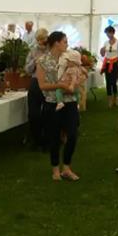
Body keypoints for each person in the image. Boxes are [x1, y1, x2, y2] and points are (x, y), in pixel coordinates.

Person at [37, 31, 80, 182]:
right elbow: (42, 85)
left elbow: (78, 74)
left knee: (72, 135)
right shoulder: (42, 60)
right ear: (56, 43)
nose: (67, 44)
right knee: (54, 137)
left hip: (70, 102)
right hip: (52, 103)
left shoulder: (70, 57)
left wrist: (76, 82)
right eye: (65, 41)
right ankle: (55, 169)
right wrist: (60, 85)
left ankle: (67, 167)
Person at [25, 28, 49, 150]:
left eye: (43, 39)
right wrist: (34, 62)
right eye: (38, 39)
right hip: (35, 82)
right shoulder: (33, 51)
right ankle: (36, 140)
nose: (41, 42)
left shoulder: (51, 50)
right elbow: (27, 69)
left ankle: (46, 140)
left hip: (48, 81)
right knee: (33, 113)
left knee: (47, 112)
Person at [100, 26, 118, 108]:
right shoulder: (106, 42)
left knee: (114, 82)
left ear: (113, 32)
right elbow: (102, 54)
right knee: (108, 82)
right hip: (107, 64)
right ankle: (109, 100)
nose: (108, 35)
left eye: (109, 33)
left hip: (115, 64)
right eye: (106, 33)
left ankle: (115, 98)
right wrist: (102, 50)